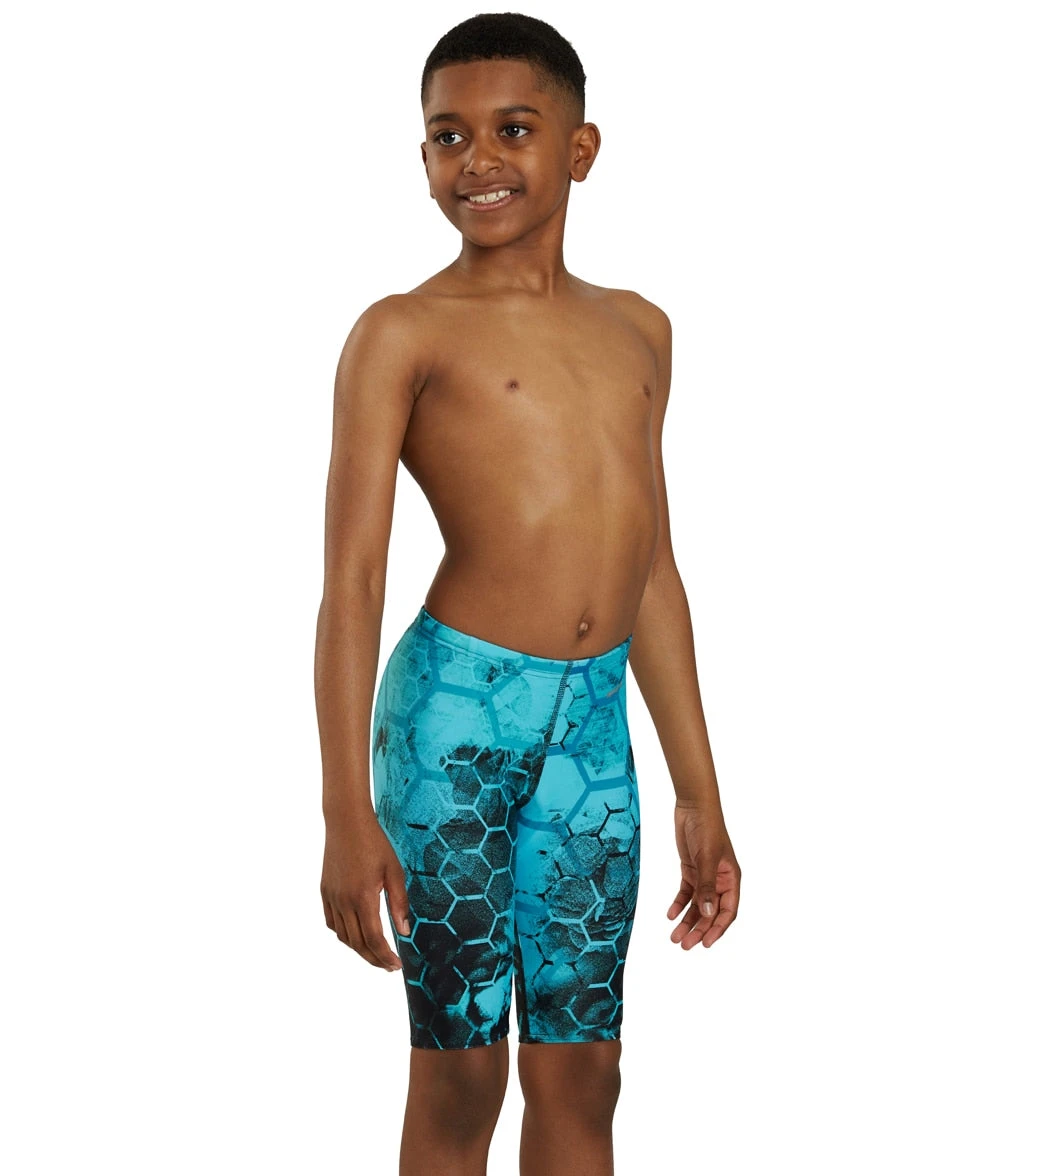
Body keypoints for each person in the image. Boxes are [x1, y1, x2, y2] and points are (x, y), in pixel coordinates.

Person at [315, 12, 741, 1175]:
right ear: (422, 158)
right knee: (462, 1072)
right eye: (448, 137)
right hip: (453, 723)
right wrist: (344, 809)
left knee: (584, 1070)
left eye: (513, 129)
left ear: (581, 147)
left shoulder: (638, 329)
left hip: (591, 729)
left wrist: (699, 788)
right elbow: (351, 580)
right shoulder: (402, 333)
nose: (479, 161)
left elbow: (651, 566)